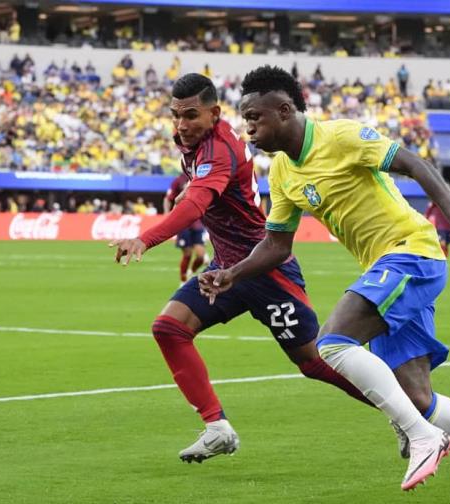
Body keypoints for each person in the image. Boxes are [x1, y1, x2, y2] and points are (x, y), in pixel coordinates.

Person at [201, 66, 450, 501]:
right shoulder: (282, 172)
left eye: (254, 117)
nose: (247, 127)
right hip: (385, 266)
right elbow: (277, 246)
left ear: (284, 111)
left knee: (332, 343)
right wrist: (232, 272)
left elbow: (416, 164)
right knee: (417, 396)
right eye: (244, 118)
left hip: (411, 252)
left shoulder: (340, 137)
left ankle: (422, 437)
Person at [108, 73, 369, 464]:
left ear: (214, 113)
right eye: (176, 115)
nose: (181, 124)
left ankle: (405, 413)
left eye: (191, 115)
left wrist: (145, 239)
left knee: (314, 362)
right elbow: (204, 193)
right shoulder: (192, 141)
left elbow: (196, 205)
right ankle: (217, 428)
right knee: (170, 328)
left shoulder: (219, 149)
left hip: (264, 269)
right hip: (226, 269)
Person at [163, 174, 207, 283]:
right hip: (183, 222)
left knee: (201, 256)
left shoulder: (203, 177)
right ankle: (183, 281)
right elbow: (168, 198)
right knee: (187, 254)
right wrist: (167, 213)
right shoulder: (178, 180)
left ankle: (190, 273)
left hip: (197, 222)